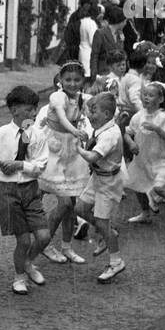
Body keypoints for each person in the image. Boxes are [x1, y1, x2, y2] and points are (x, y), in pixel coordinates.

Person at [0, 85, 50, 296]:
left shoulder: (37, 135)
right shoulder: (0, 134)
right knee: (24, 240)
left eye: (35, 109)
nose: (34, 113)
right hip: (8, 191)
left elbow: (41, 166)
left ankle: (27, 262)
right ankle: (19, 277)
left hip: (30, 189)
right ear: (15, 110)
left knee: (43, 236)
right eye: (29, 110)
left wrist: (20, 165)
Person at [38, 62, 93, 267]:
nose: (72, 83)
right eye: (68, 79)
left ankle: (67, 246)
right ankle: (44, 243)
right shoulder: (56, 98)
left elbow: (91, 116)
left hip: (72, 153)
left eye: (77, 80)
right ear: (60, 81)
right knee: (65, 203)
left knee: (71, 205)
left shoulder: (82, 99)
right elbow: (59, 117)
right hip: (54, 153)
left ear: (83, 81)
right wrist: (74, 131)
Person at [75, 92, 127, 282]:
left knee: (102, 223)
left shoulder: (110, 135)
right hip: (98, 177)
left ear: (106, 114)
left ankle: (116, 261)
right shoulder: (102, 128)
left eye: (93, 111)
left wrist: (77, 148)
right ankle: (106, 234)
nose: (89, 114)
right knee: (80, 208)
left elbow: (92, 157)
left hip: (109, 182)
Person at [124, 81, 165, 227]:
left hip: (162, 160)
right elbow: (127, 132)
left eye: (151, 95)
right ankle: (145, 213)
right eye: (145, 95)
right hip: (143, 159)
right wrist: (131, 143)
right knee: (137, 185)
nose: (146, 98)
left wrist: (156, 128)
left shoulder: (163, 118)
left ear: (160, 99)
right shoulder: (138, 116)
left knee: (159, 188)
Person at [79, 3, 101, 78]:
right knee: (88, 75)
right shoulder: (91, 23)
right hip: (89, 52)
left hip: (82, 49)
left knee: (82, 74)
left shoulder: (82, 21)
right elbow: (93, 41)